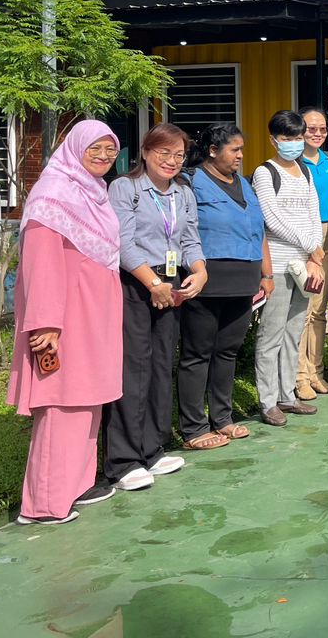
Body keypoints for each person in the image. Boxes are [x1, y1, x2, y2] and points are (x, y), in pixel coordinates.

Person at [8, 121, 123, 524]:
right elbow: (41, 266)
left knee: (86, 399)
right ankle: (43, 505)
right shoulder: (53, 195)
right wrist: (45, 323)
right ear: (75, 147)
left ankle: (75, 486)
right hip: (63, 317)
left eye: (110, 149)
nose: (104, 155)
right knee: (60, 402)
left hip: (93, 313)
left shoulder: (94, 193)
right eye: (95, 147)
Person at [106, 122, 206, 491]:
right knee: (134, 368)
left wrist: (199, 270)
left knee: (162, 365)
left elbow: (190, 237)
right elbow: (122, 242)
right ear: (145, 152)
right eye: (163, 152)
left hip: (173, 284)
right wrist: (153, 283)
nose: (171, 161)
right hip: (137, 283)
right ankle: (124, 459)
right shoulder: (125, 188)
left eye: (179, 154)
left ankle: (152, 448)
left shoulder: (182, 191)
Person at [177, 123, 272, 450]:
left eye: (242, 149)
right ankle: (193, 427)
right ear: (213, 151)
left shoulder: (244, 185)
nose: (241, 156)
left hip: (243, 282)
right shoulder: (192, 183)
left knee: (227, 352)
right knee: (197, 353)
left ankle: (223, 418)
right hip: (207, 281)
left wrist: (265, 274)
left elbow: (259, 231)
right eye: (235, 149)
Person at [251, 110, 325, 426]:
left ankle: (287, 395)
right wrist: (311, 246)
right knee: (271, 334)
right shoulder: (265, 173)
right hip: (279, 266)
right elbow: (271, 219)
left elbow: (313, 213)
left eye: (297, 137)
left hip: (305, 267)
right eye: (287, 138)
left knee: (294, 331)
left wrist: (313, 255)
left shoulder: (305, 172)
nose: (293, 143)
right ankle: (267, 401)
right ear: (273, 139)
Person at [295, 106, 328, 402]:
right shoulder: (293, 161)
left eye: (322, 129)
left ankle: (317, 372)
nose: (317, 133)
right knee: (303, 311)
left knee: (320, 309)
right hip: (305, 238)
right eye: (311, 128)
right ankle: (300, 377)